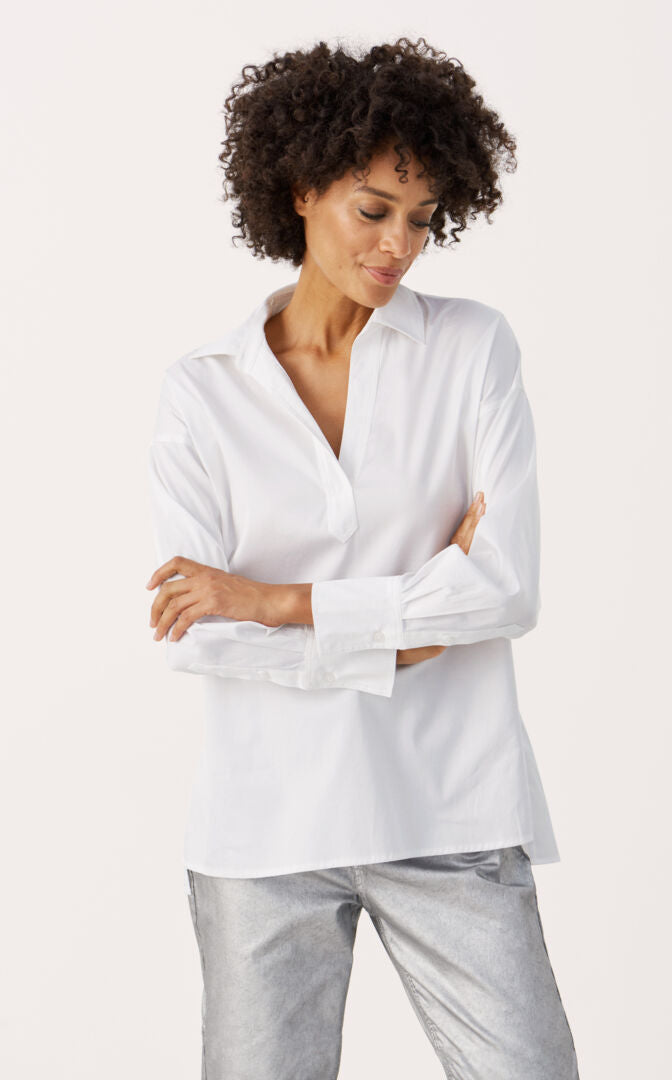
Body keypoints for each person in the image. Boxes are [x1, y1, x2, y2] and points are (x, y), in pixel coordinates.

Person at [146, 36, 580, 1080]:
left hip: (451, 808)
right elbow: (196, 637)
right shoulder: (203, 390)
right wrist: (404, 634)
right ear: (300, 190)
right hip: (264, 830)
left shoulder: (472, 349)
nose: (400, 246)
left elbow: (503, 589)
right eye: (373, 209)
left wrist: (272, 599)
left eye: (423, 218)